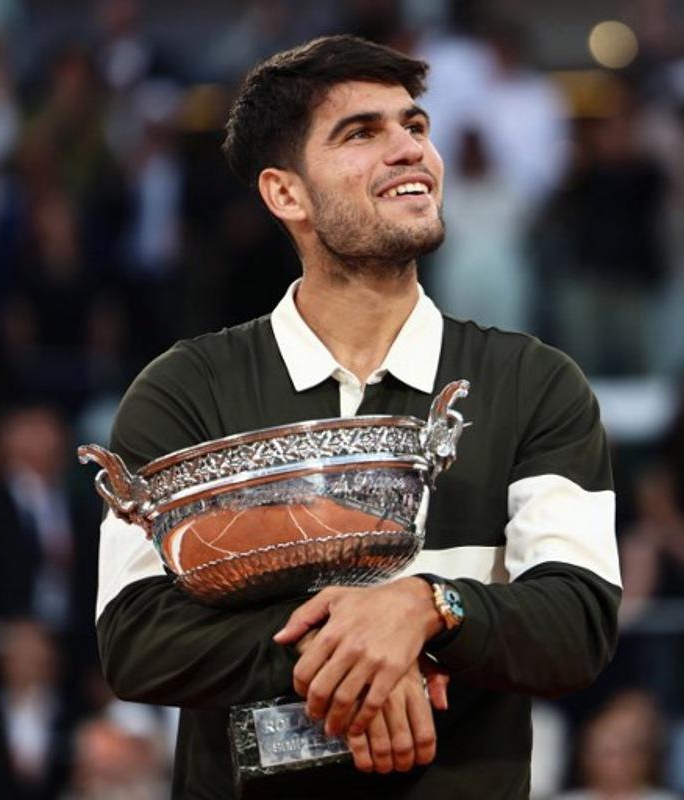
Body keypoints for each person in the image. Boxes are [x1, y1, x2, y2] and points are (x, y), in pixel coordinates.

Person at [92, 35, 621, 798]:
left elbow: (577, 623)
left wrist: (426, 609)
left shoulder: (533, 384)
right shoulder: (185, 392)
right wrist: (366, 648)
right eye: (361, 133)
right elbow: (138, 641)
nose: (409, 150)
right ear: (286, 194)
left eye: (414, 126)